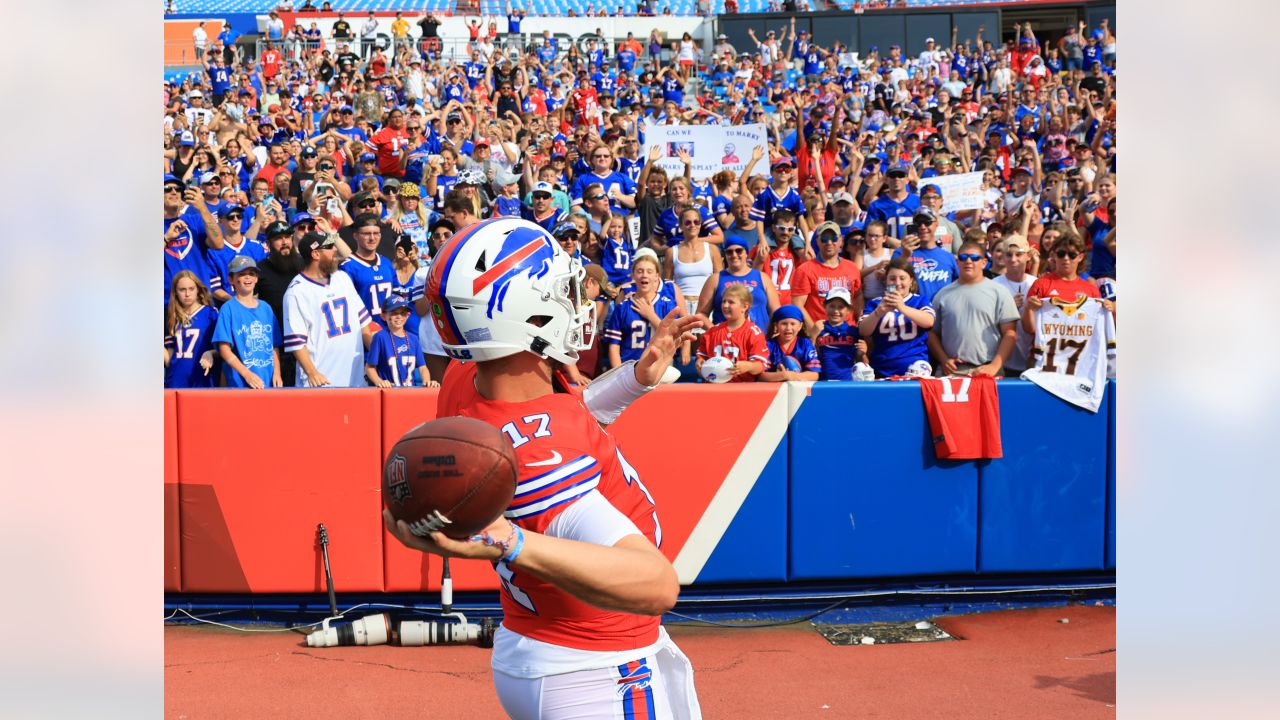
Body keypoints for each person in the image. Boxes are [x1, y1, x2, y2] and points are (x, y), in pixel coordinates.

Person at [389, 216, 703, 718]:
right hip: (598, 667)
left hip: (537, 643)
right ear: (526, 314)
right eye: (562, 290)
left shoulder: (468, 379)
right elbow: (656, 585)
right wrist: (510, 541)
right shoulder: (547, 465)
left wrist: (635, 380)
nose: (577, 302)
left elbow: (559, 417)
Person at [283, 231, 376, 387]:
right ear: (315, 254)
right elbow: (297, 343)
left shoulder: (342, 278)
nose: (335, 250)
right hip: (321, 382)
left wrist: (378, 354)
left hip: (355, 379)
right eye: (330, 247)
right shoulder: (296, 292)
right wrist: (312, 373)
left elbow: (364, 326)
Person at [927, 240, 1019, 377]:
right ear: (957, 262)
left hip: (987, 370)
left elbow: (1010, 334)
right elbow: (931, 333)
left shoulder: (999, 292)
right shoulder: (942, 294)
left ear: (983, 262)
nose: (968, 261)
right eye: (963, 258)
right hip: (952, 371)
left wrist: (994, 366)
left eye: (975, 258)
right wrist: (943, 359)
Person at [213, 256, 285, 389]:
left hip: (267, 381)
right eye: (241, 274)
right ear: (231, 279)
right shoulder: (228, 308)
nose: (247, 278)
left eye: (251, 274)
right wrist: (247, 374)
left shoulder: (266, 308)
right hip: (240, 383)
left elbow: (274, 346)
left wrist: (277, 373)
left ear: (257, 278)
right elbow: (224, 349)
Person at [858, 257, 935, 378]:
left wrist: (902, 307)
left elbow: (929, 322)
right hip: (882, 367)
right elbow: (863, 330)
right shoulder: (875, 304)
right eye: (892, 278)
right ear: (886, 281)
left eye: (902, 278)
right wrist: (878, 312)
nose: (897, 283)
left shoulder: (920, 300)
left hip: (915, 367)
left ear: (911, 280)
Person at [604, 255, 680, 370]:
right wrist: (618, 372)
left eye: (649, 272)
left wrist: (651, 315)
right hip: (629, 368)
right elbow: (614, 346)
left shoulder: (667, 305)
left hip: (660, 368)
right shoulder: (622, 307)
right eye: (640, 271)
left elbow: (673, 337)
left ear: (657, 276)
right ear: (633, 275)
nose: (644, 275)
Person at [790, 221, 862, 340]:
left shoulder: (852, 267)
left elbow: (858, 295)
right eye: (824, 238)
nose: (829, 243)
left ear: (840, 241)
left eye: (833, 238)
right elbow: (797, 305)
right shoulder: (805, 270)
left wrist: (858, 320)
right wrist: (813, 331)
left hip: (848, 333)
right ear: (817, 241)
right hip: (820, 335)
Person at [696, 235, 778, 334]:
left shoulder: (762, 277)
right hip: (726, 342)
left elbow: (776, 311)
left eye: (738, 251)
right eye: (729, 252)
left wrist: (775, 331)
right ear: (725, 255)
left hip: (759, 339)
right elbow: (701, 314)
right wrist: (716, 332)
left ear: (746, 253)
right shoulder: (715, 279)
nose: (734, 255)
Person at [697, 284, 768, 383]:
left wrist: (748, 366)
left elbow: (761, 366)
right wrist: (700, 364)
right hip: (714, 387)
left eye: (731, 302)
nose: (725, 305)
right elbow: (702, 358)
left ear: (745, 307)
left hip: (742, 389)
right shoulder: (712, 332)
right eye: (724, 301)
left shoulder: (753, 333)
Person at [991, 234, 1037, 375]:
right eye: (1009, 255)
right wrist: (1008, 309)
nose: (1013, 259)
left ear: (1028, 256)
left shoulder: (1037, 283)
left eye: (1019, 254)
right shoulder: (994, 285)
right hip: (1003, 361)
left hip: (1032, 359)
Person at [340, 214, 397, 327]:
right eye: (366, 234)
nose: (372, 238)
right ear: (355, 236)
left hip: (390, 330)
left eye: (376, 233)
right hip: (363, 332)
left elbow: (396, 295)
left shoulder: (386, 262)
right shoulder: (347, 267)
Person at [891, 207, 958, 304]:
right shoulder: (900, 253)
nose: (922, 227)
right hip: (911, 312)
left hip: (942, 312)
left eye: (927, 222)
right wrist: (905, 256)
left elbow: (959, 286)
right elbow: (891, 285)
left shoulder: (948, 257)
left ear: (936, 224)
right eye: (918, 223)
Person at [164, 271, 218, 388]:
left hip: (201, 380)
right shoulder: (172, 316)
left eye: (191, 289)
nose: (187, 294)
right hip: (175, 381)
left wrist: (211, 353)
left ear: (198, 289)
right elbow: (170, 357)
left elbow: (222, 349)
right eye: (182, 290)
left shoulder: (211, 314)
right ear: (175, 292)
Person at [365, 295, 434, 388]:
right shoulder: (380, 337)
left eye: (403, 313)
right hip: (389, 392)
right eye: (393, 313)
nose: (399, 316)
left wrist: (427, 382)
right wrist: (379, 382)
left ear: (407, 315)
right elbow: (369, 367)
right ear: (383, 316)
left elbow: (422, 368)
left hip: (410, 393)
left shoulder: (413, 339)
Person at [666, 206, 721, 316]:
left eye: (696, 222)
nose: (692, 225)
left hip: (706, 306)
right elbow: (668, 283)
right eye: (687, 222)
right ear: (681, 226)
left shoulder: (712, 249)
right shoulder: (672, 251)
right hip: (681, 306)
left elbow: (719, 281)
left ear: (700, 224)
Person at [760, 305, 820, 382]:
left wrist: (794, 376)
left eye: (792, 324)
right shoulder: (768, 345)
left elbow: (815, 374)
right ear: (776, 325)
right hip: (774, 391)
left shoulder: (805, 344)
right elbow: (761, 375)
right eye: (784, 324)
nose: (788, 328)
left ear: (800, 326)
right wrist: (783, 375)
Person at [814, 287, 861, 381]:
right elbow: (809, 357)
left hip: (848, 383)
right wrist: (813, 336)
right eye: (832, 306)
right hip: (822, 383)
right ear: (825, 306)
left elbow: (862, 362)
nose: (836, 311)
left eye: (841, 307)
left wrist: (862, 353)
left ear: (849, 310)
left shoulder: (854, 331)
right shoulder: (818, 329)